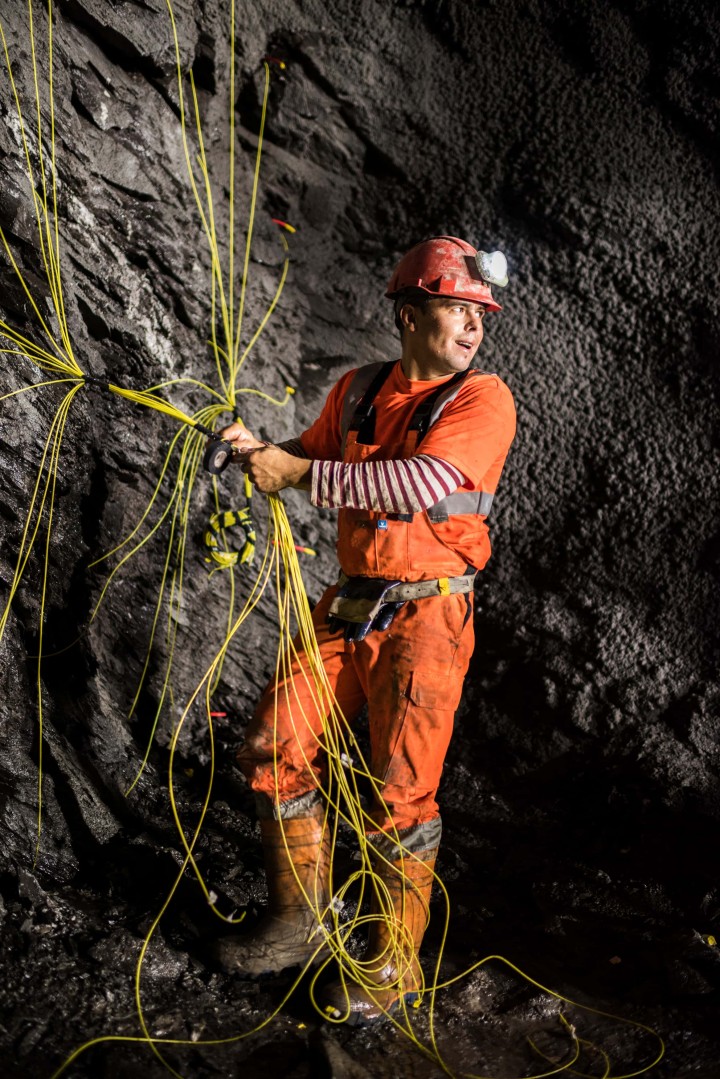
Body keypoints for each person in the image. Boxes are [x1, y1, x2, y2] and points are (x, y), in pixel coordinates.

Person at [213, 236, 517, 1024]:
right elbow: (301, 457)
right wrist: (257, 450)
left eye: (481, 313)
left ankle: (393, 966)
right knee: (274, 741)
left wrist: (300, 474)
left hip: (430, 614)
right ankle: (299, 921)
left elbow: (420, 481)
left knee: (400, 794)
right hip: (354, 601)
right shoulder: (356, 392)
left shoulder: (483, 401)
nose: (474, 325)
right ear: (410, 313)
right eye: (457, 308)